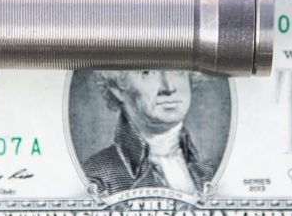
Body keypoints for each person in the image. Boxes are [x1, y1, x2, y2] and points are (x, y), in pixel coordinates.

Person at [82, 70, 214, 194]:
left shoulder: (207, 172)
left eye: (178, 71)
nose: (169, 88)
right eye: (147, 72)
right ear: (117, 87)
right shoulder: (97, 175)